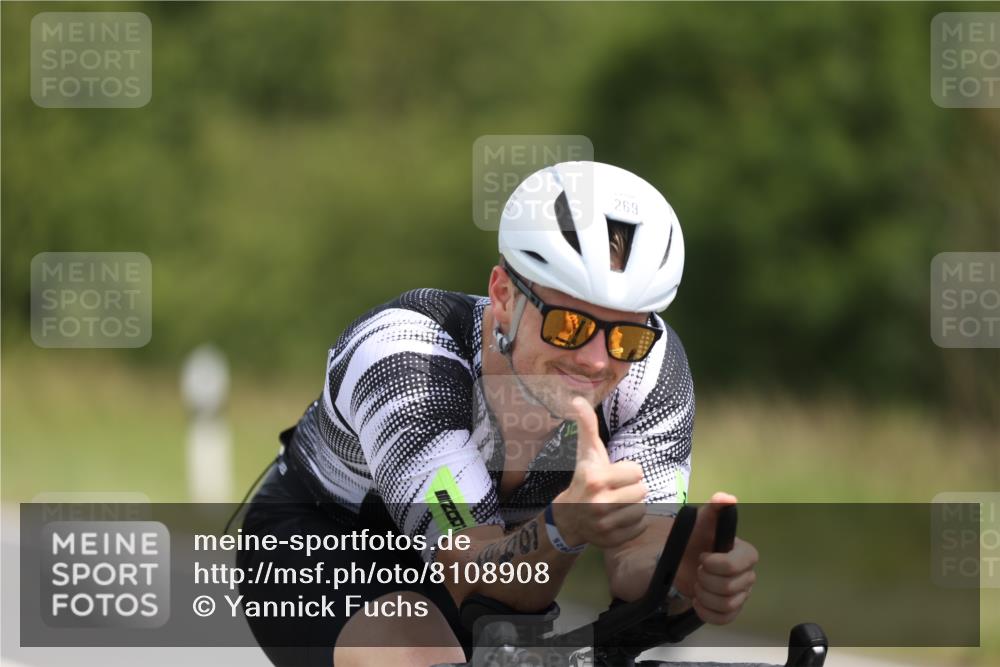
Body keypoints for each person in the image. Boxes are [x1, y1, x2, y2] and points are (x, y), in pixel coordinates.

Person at [236, 161, 758, 667]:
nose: (598, 359)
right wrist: (565, 526)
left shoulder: (651, 368)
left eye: (626, 334)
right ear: (504, 295)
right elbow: (477, 573)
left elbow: (636, 554)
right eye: (569, 325)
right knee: (424, 649)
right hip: (327, 544)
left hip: (498, 561)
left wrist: (678, 575)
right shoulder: (403, 358)